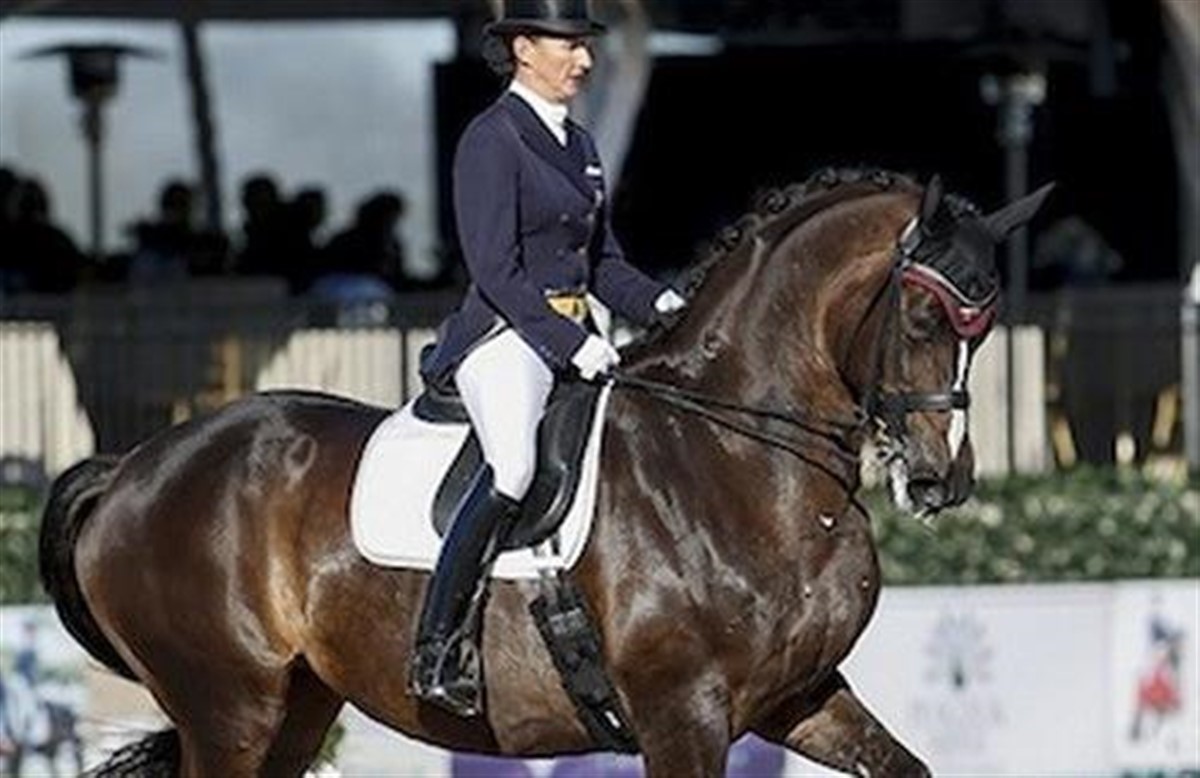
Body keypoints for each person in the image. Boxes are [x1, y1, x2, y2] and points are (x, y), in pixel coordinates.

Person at [410, 0, 685, 717]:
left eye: (586, 45)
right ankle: (437, 646)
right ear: (524, 48)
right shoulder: (491, 138)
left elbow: (602, 264)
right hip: (506, 335)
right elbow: (496, 271)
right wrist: (572, 343)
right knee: (513, 468)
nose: (585, 60)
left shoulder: (579, 143)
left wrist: (663, 304)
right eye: (569, 45)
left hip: (577, 334)